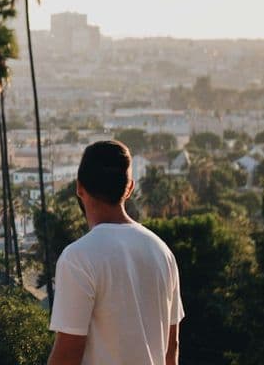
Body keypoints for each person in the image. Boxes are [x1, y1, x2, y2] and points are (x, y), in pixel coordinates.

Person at [47, 140, 184, 365]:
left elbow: (68, 353)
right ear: (129, 188)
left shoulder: (78, 258)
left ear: (79, 188)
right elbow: (172, 348)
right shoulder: (161, 251)